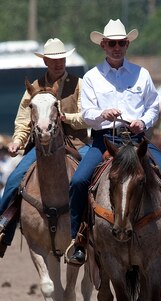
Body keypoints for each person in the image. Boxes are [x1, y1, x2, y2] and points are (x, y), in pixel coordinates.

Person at [67, 19, 161, 266]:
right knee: (79, 181)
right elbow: (87, 113)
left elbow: (153, 106)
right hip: (104, 141)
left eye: (121, 43)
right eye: (112, 43)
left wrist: (142, 122)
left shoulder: (141, 74)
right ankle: (78, 239)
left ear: (127, 45)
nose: (117, 47)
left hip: (137, 140)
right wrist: (102, 114)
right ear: (103, 45)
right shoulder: (92, 77)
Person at [0, 38, 91, 258]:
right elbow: (23, 121)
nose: (58, 63)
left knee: (94, 176)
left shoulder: (79, 85)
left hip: (77, 143)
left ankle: (101, 228)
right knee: (14, 180)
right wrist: (18, 142)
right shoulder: (34, 87)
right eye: (53, 60)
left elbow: (86, 116)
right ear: (46, 61)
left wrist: (65, 117)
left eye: (61, 59)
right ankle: (4, 229)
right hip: (42, 146)